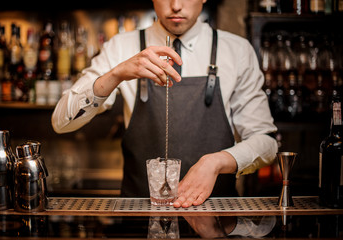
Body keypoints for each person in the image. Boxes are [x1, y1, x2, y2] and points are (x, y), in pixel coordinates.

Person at [51, 0, 278, 208]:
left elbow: (266, 143)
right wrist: (117, 74)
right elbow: (61, 123)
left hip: (216, 214)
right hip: (138, 213)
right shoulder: (120, 47)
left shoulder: (237, 50)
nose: (176, 5)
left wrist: (218, 162)